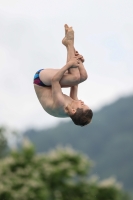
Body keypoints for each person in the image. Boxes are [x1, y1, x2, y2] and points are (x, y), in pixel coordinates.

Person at [33, 24, 93, 126]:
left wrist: (70, 64)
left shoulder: (60, 104)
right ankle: (69, 44)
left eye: (82, 105)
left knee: (75, 77)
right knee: (82, 77)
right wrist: (79, 61)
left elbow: (55, 80)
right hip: (50, 83)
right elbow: (75, 84)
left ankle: (69, 43)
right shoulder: (73, 106)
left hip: (40, 80)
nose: (82, 101)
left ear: (74, 111)